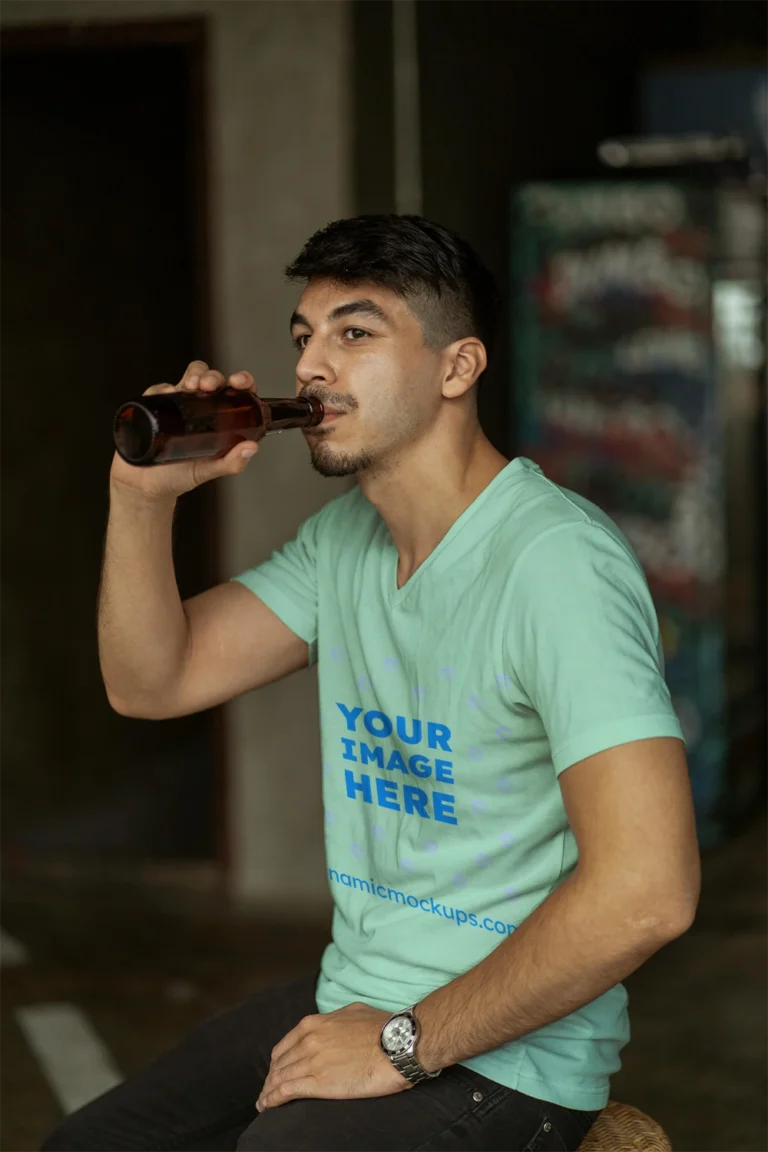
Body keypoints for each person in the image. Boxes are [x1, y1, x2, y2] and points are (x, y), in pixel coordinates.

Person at [49, 215, 700, 1152]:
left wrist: (404, 1044)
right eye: (304, 337)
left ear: (457, 367)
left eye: (355, 333)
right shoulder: (342, 544)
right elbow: (153, 682)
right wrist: (140, 499)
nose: (313, 366)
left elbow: (649, 891)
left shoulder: (556, 567)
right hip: (354, 991)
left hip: (505, 1061)